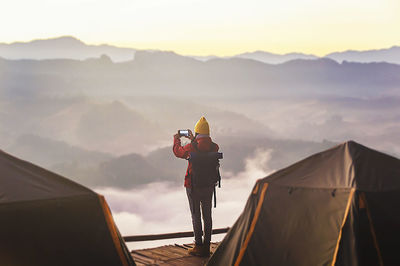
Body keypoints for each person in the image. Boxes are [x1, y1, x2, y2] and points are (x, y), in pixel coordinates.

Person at [173, 116, 219, 257]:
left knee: (196, 215)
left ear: (197, 132)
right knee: (207, 215)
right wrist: (194, 139)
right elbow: (203, 147)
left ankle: (198, 246)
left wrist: (177, 138)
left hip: (192, 186)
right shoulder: (214, 147)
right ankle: (206, 246)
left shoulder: (191, 147)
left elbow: (178, 152)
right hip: (209, 186)